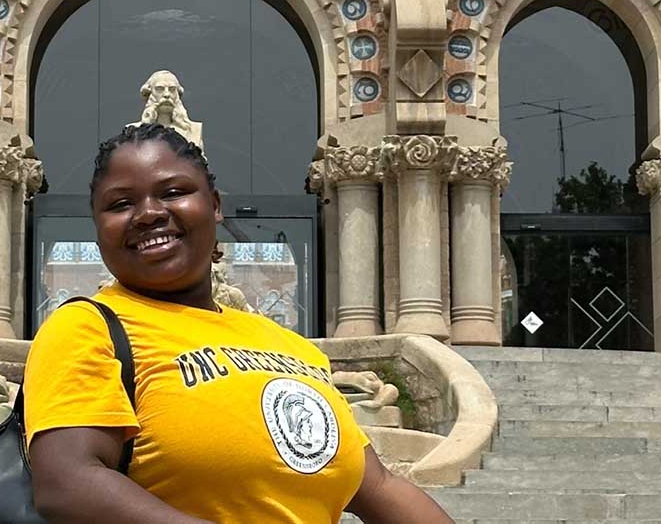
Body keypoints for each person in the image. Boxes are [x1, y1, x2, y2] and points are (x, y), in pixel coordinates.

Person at [24, 124, 452, 523]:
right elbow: (67, 481)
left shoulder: (293, 347)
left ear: (214, 206)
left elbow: (377, 484)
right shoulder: (86, 326)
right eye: (120, 204)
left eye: (173, 192)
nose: (148, 213)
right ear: (98, 228)